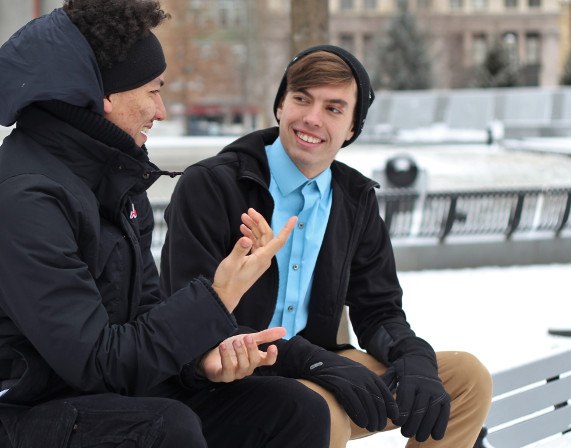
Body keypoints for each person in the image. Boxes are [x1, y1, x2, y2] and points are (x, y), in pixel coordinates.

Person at [0, 2, 332, 448]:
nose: (162, 110)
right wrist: (218, 297)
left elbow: (142, 319)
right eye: (153, 91)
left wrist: (204, 359)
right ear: (105, 96)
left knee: (291, 410)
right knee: (162, 429)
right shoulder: (24, 200)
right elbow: (98, 360)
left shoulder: (112, 182)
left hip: (83, 399)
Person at [160, 45, 494, 447]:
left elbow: (379, 308)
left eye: (334, 109)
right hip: (232, 372)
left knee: (466, 378)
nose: (312, 118)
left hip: (323, 366)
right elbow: (190, 316)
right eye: (302, 99)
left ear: (353, 127)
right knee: (319, 409)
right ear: (280, 105)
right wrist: (315, 361)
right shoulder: (213, 185)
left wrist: (413, 355)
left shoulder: (353, 199)